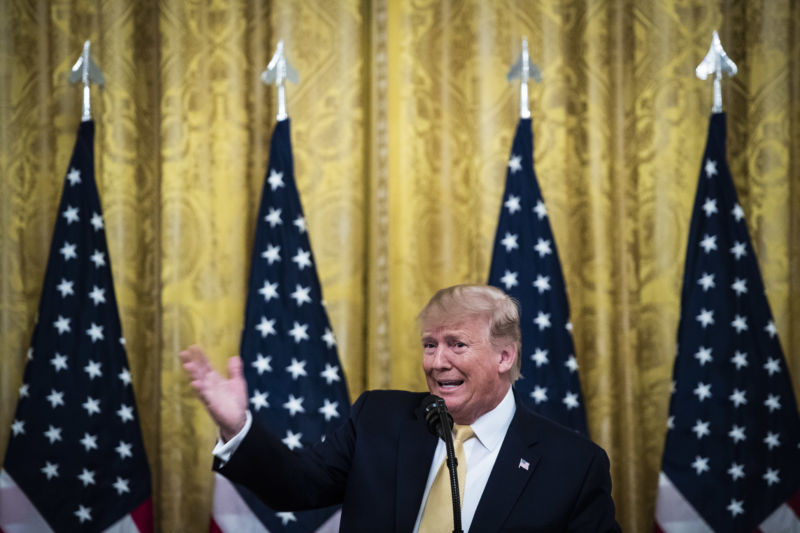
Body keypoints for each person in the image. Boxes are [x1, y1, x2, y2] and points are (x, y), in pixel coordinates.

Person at [180, 284, 620, 532]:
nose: (437, 362)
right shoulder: (378, 419)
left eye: (457, 345)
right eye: (430, 345)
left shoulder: (573, 466)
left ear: (505, 356)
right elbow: (295, 487)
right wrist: (238, 426)